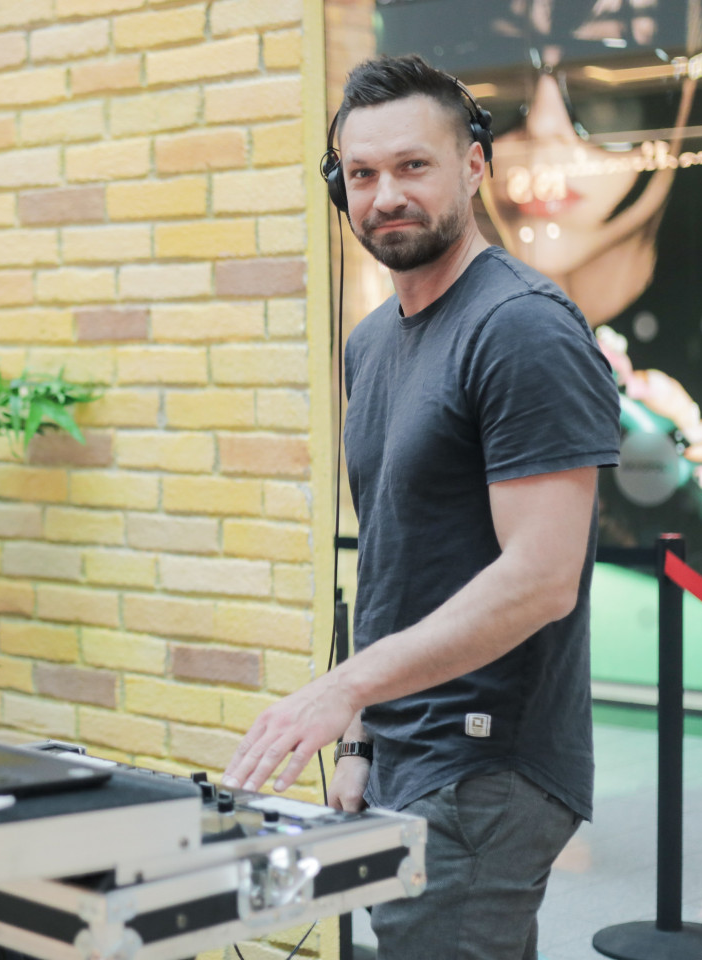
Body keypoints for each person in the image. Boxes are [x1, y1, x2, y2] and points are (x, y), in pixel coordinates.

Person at [223, 55, 621, 960]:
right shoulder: (372, 345)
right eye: (361, 174)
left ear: (474, 165)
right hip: (406, 751)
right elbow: (392, 566)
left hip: (487, 766)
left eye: (413, 166)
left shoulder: (520, 328)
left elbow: (542, 579)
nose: (385, 196)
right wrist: (361, 744)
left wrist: (344, 689)